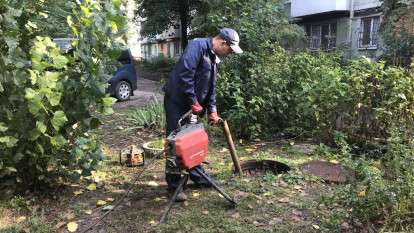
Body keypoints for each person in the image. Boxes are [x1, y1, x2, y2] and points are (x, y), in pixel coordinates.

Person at [163, 28, 243, 202]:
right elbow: (186, 74)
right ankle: (174, 186)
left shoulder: (214, 57)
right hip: (177, 102)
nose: (229, 53)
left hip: (194, 106)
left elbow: (211, 87)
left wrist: (212, 109)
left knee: (193, 139)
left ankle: (198, 176)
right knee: (174, 142)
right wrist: (193, 101)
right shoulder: (197, 46)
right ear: (223, 42)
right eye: (229, 50)